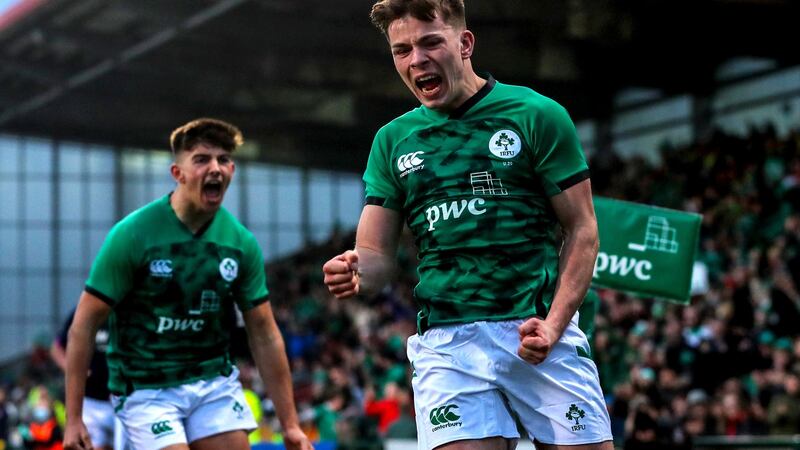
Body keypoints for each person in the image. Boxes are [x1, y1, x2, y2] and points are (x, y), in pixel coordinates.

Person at [322, 1, 613, 449]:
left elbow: (582, 229)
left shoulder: (536, 115)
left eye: (430, 42)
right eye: (402, 50)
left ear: (465, 43)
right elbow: (378, 256)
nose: (417, 60)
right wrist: (357, 267)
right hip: (448, 343)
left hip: (535, 329)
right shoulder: (392, 141)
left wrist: (554, 324)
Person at [63, 118, 312, 450]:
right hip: (146, 388)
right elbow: (83, 326)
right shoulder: (133, 234)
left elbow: (265, 333)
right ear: (177, 173)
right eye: (201, 159)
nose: (216, 168)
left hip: (211, 383)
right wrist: (74, 419)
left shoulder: (240, 243)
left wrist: (290, 425)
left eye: (223, 159)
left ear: (232, 170)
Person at [51, 309, 124, 450]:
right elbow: (57, 348)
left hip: (123, 401)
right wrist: (72, 369)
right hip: (90, 401)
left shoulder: (127, 311)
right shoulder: (83, 312)